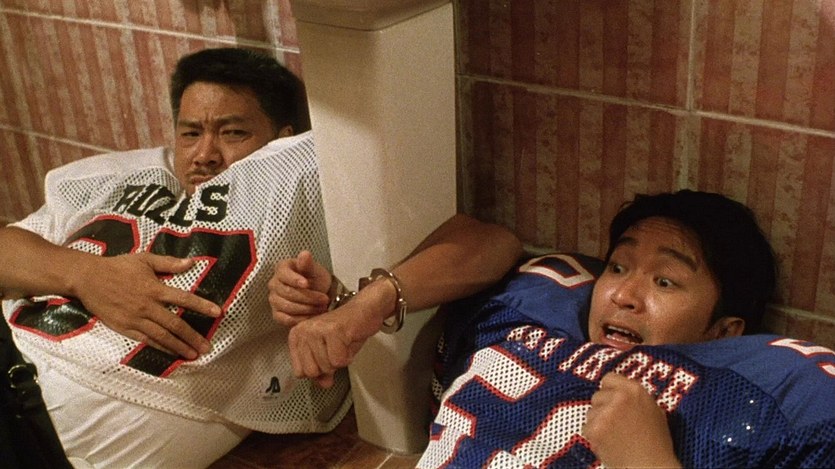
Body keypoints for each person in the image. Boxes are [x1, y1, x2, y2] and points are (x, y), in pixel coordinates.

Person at [274, 190, 835, 468]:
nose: (623, 294)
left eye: (665, 282)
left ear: (724, 330)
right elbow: (490, 240)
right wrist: (363, 306)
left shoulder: (766, 388)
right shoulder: (544, 306)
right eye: (619, 266)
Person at [2, 47, 329, 468]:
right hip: (14, 351)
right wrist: (86, 275)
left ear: (282, 139)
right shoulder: (125, 180)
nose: (205, 154)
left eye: (232, 133)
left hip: (42, 423)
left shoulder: (292, 190)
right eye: (190, 133)